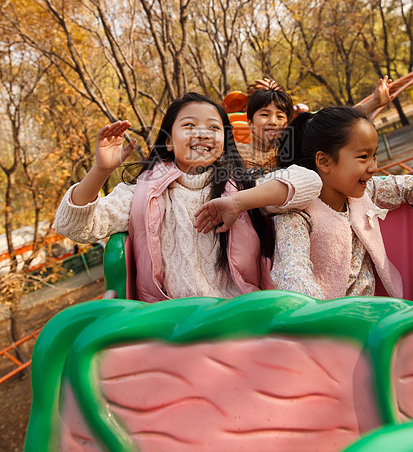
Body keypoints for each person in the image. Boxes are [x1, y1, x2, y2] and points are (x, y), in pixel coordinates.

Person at [55, 92, 322, 302]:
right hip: (170, 324)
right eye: (190, 125)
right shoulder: (141, 194)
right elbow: (73, 226)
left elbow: (310, 182)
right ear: (169, 142)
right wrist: (101, 170)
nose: (202, 133)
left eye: (213, 128)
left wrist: (238, 202)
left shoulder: (243, 186)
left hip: (240, 317)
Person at [196, 105, 411, 300]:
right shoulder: (298, 215)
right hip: (328, 322)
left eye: (374, 155)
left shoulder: (365, 192)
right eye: (363, 157)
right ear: (324, 161)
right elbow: (292, 273)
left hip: (374, 311)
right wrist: (321, 313)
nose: (374, 166)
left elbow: (403, 186)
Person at [235, 76, 393, 169]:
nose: (273, 122)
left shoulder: (296, 146)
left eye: (280, 116)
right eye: (264, 114)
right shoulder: (235, 154)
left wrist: (374, 103)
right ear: (249, 122)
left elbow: (334, 123)